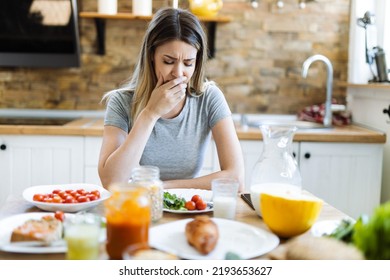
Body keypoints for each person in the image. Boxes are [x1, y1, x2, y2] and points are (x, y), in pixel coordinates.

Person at [98, 7, 244, 191]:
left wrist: (160, 187)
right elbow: (111, 182)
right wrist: (150, 113)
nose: (178, 73)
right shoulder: (121, 102)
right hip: (138, 209)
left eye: (188, 63)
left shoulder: (209, 98)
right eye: (168, 61)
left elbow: (236, 179)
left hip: (187, 208)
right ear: (151, 56)